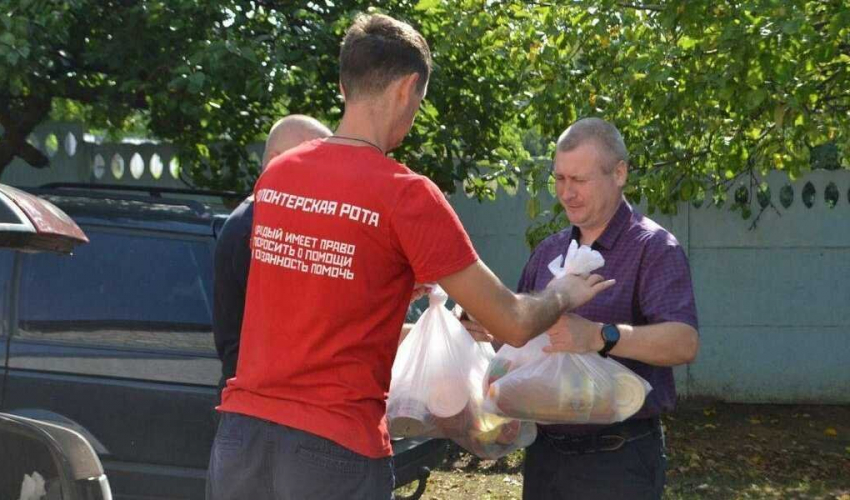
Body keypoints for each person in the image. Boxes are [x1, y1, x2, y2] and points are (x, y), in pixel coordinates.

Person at [206, 14, 613, 500]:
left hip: (241, 439)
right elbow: (513, 322)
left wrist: (389, 284)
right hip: (332, 448)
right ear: (408, 89)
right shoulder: (407, 196)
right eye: (419, 103)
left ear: (343, 85)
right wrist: (562, 292)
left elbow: (309, 291)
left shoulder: (277, 177)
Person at [513, 117, 699, 499]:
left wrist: (599, 336)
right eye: (559, 179)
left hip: (618, 459)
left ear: (619, 173)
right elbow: (517, 335)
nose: (566, 193)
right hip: (544, 456)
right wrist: (484, 329)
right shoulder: (548, 251)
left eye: (579, 180)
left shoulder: (653, 248)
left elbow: (683, 343)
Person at [213, 114, 332, 396]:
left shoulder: (257, 217)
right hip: (260, 409)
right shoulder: (256, 225)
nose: (327, 174)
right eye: (316, 161)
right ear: (277, 160)